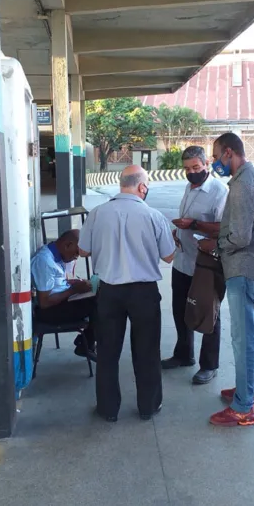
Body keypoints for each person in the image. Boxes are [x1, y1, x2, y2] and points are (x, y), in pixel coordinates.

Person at [78, 165, 175, 422]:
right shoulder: (154, 216)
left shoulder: (97, 214)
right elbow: (168, 255)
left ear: (121, 183)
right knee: (147, 350)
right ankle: (149, 406)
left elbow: (83, 251)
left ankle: (108, 409)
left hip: (109, 291)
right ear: (142, 187)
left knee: (108, 351)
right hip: (144, 293)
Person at [198, 133, 254, 427]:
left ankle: (243, 408)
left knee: (243, 341)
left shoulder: (243, 184)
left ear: (229, 153)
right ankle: (248, 393)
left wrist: (213, 247)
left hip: (244, 270)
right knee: (251, 337)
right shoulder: (252, 178)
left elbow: (240, 237)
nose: (215, 162)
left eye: (216, 157)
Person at [161, 145, 228, 384]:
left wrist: (192, 225)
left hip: (206, 266)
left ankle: (209, 365)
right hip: (182, 261)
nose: (191, 172)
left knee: (209, 314)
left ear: (207, 165)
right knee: (180, 310)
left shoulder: (219, 192)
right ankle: (183, 354)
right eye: (187, 169)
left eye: (196, 167)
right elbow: (185, 222)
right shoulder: (189, 188)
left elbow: (224, 228)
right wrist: (177, 231)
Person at [31, 230, 96, 360]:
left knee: (101, 297)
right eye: (76, 253)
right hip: (50, 311)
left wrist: (74, 285)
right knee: (101, 303)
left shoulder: (57, 256)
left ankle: (86, 342)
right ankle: (85, 344)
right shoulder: (44, 261)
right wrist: (74, 290)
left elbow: (55, 284)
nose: (76, 257)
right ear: (67, 245)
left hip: (63, 300)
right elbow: (44, 303)